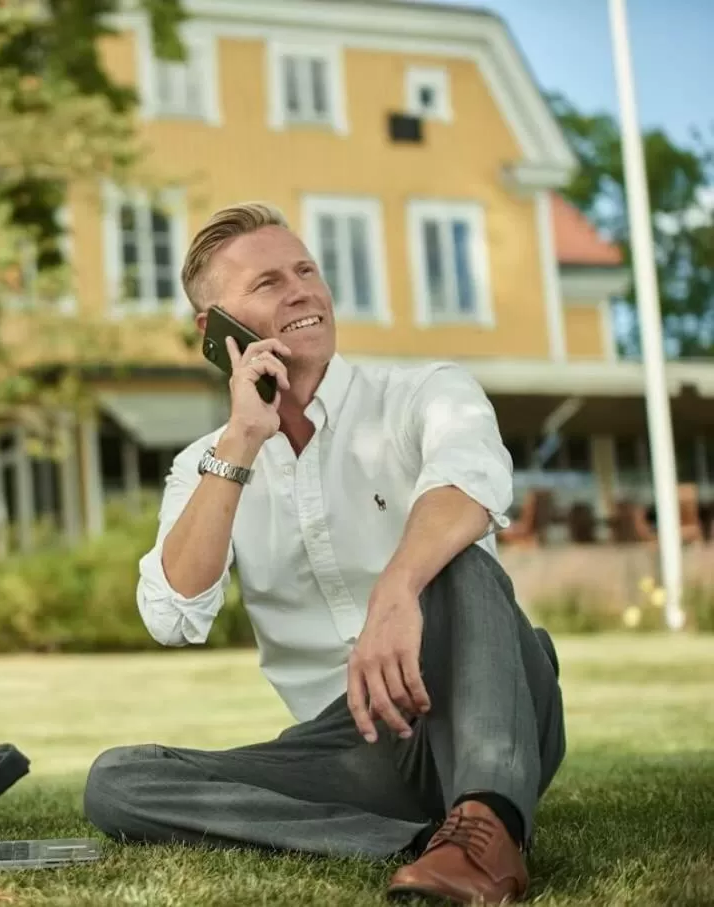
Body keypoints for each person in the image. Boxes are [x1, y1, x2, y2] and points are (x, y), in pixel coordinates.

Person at [81, 202, 566, 905]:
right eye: (268, 282)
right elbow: (171, 613)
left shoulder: (425, 390)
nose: (302, 289)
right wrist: (241, 443)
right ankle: (410, 842)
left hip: (483, 697)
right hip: (350, 745)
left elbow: (469, 484)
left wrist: (395, 593)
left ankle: (486, 833)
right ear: (215, 329)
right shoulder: (205, 464)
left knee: (457, 558)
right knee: (119, 780)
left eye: (306, 270)